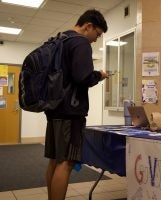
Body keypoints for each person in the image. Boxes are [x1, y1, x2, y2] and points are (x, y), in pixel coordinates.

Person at [44, 9, 109, 200]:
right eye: (97, 34)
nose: (95, 40)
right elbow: (82, 78)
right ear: (88, 26)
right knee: (66, 163)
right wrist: (99, 75)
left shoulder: (59, 40)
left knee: (54, 161)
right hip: (70, 112)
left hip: (53, 110)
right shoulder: (80, 42)